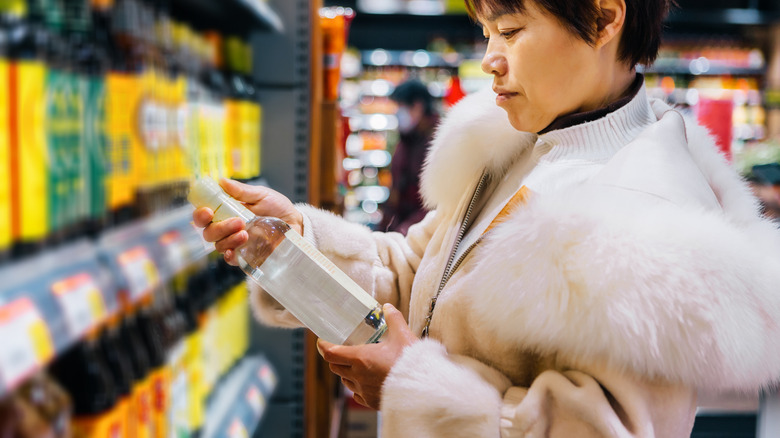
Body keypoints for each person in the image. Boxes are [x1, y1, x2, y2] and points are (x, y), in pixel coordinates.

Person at [193, 0, 780, 435]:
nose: (490, 60)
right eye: (485, 32)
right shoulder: (516, 146)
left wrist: (412, 382)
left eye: (511, 31)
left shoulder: (655, 228)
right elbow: (418, 271)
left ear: (604, 19)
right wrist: (292, 246)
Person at [378, 79, 438, 235]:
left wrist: (405, 231)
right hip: (401, 231)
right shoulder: (406, 140)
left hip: (419, 235)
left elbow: (435, 202)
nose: (397, 113)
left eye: (401, 107)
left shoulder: (437, 143)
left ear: (418, 106)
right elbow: (397, 188)